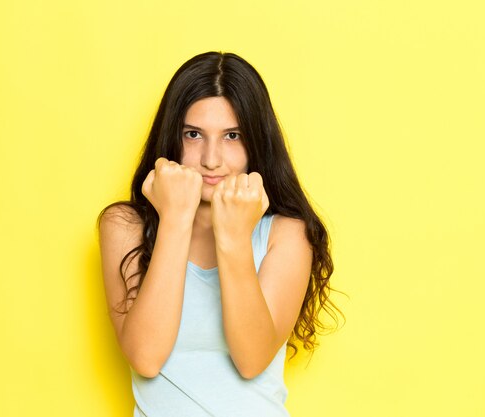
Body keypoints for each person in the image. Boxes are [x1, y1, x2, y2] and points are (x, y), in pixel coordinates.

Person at [97, 51, 344, 417]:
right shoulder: (124, 226)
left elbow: (252, 359)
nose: (211, 159)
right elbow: (146, 357)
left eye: (232, 136)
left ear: (256, 143)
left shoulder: (286, 234)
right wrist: (176, 218)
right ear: (172, 138)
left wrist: (232, 236)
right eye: (193, 134)